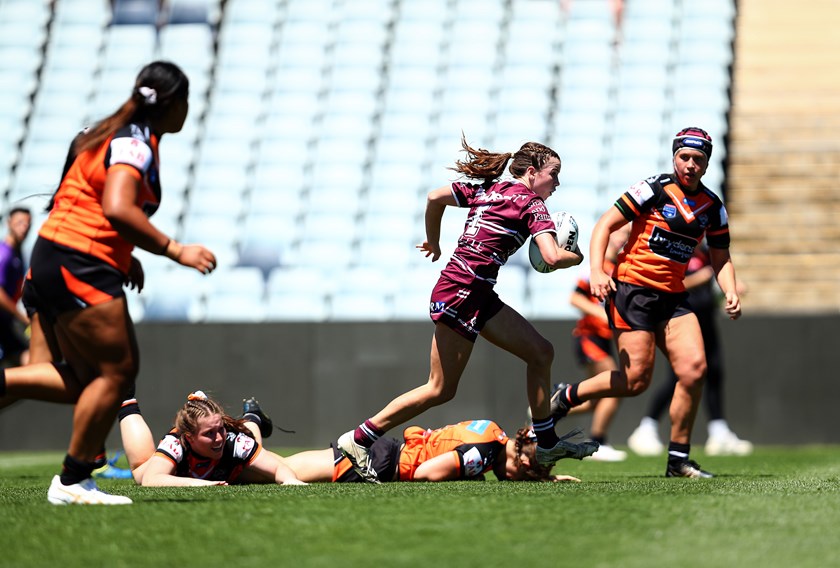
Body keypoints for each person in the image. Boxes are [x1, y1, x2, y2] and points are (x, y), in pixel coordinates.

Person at [0, 61, 217, 505]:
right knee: (117, 373)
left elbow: (80, 199)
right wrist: (176, 250)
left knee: (88, 380)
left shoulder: (104, 132)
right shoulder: (134, 142)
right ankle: (73, 479)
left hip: (59, 256)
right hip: (79, 261)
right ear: (173, 104)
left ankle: (76, 473)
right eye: (187, 101)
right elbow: (117, 207)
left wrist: (126, 253)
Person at [337, 136, 597, 484]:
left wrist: (434, 240)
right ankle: (358, 439)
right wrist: (577, 256)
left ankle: (546, 441)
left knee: (540, 352)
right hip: (464, 292)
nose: (558, 183)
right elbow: (550, 257)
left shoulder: (488, 189)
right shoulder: (531, 204)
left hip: (471, 290)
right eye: (555, 174)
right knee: (439, 389)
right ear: (533, 173)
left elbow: (433, 198)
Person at [550, 127, 742, 478]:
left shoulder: (713, 207)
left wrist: (729, 288)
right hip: (633, 291)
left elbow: (721, 256)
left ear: (707, 164)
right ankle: (566, 396)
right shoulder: (653, 189)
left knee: (694, 369)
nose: (690, 164)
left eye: (698, 159)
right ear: (674, 157)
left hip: (673, 297)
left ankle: (678, 460)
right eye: (684, 157)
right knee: (636, 381)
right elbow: (605, 225)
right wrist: (596, 271)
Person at [118, 392, 581, 484]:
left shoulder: (495, 433)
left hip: (391, 449)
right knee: (140, 467)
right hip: (383, 458)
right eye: (530, 469)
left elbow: (272, 464)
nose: (525, 475)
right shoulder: (484, 452)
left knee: (252, 455)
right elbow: (428, 473)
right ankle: (126, 402)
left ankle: (252, 416)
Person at [626, 243, 753, 456]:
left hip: (706, 318)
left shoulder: (704, 252)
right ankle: (646, 428)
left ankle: (719, 431)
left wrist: (731, 288)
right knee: (678, 377)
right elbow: (669, 282)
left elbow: (716, 273)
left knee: (714, 372)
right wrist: (700, 278)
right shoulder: (674, 249)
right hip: (680, 320)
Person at [118, 391, 306, 486]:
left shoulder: (234, 440)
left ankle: (253, 417)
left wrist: (290, 481)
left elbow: (278, 467)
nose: (218, 438)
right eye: (209, 434)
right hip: (199, 469)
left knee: (251, 444)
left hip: (233, 459)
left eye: (220, 429)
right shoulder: (176, 443)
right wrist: (200, 484)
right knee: (141, 471)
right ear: (189, 438)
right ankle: (125, 398)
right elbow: (151, 480)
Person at [564, 226, 631, 462]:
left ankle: (545, 413)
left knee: (595, 400)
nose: (623, 238)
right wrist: (602, 315)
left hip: (605, 340)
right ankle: (598, 442)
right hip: (588, 336)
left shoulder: (622, 268)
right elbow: (574, 298)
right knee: (615, 382)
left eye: (627, 234)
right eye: (619, 233)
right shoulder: (597, 266)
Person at [0, 207, 32, 367]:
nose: (24, 227)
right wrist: (23, 318)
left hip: (7, 321)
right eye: (19, 222)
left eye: (27, 224)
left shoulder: (17, 255)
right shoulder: (3, 253)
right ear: (9, 223)